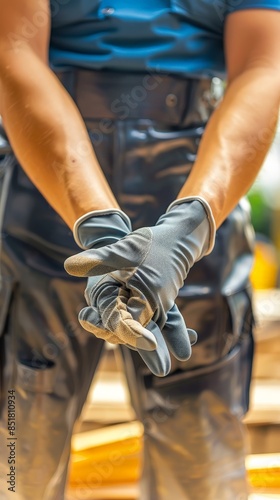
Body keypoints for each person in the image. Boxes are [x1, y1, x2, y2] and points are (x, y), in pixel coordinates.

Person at [0, 1, 280, 499]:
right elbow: (14, 50)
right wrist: (98, 225)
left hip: (200, 176)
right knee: (17, 457)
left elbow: (264, 65)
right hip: (44, 178)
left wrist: (192, 223)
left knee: (202, 473)